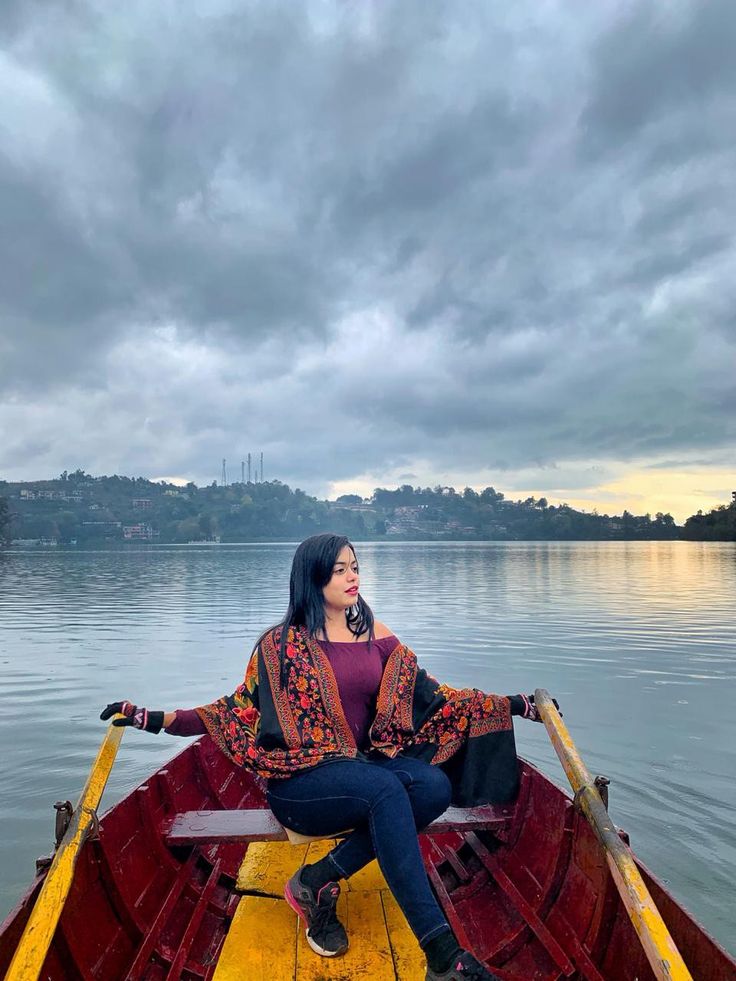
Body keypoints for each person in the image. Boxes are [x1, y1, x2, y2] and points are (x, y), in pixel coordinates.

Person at [101, 533, 555, 981]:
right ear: (313, 578)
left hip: (361, 767)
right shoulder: (280, 646)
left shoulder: (375, 634)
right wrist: (153, 718)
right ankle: (442, 957)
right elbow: (233, 708)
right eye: (339, 570)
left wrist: (514, 704)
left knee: (433, 786)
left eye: (355, 567)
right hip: (301, 782)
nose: (352, 577)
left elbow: (436, 695)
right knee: (385, 789)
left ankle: (315, 880)